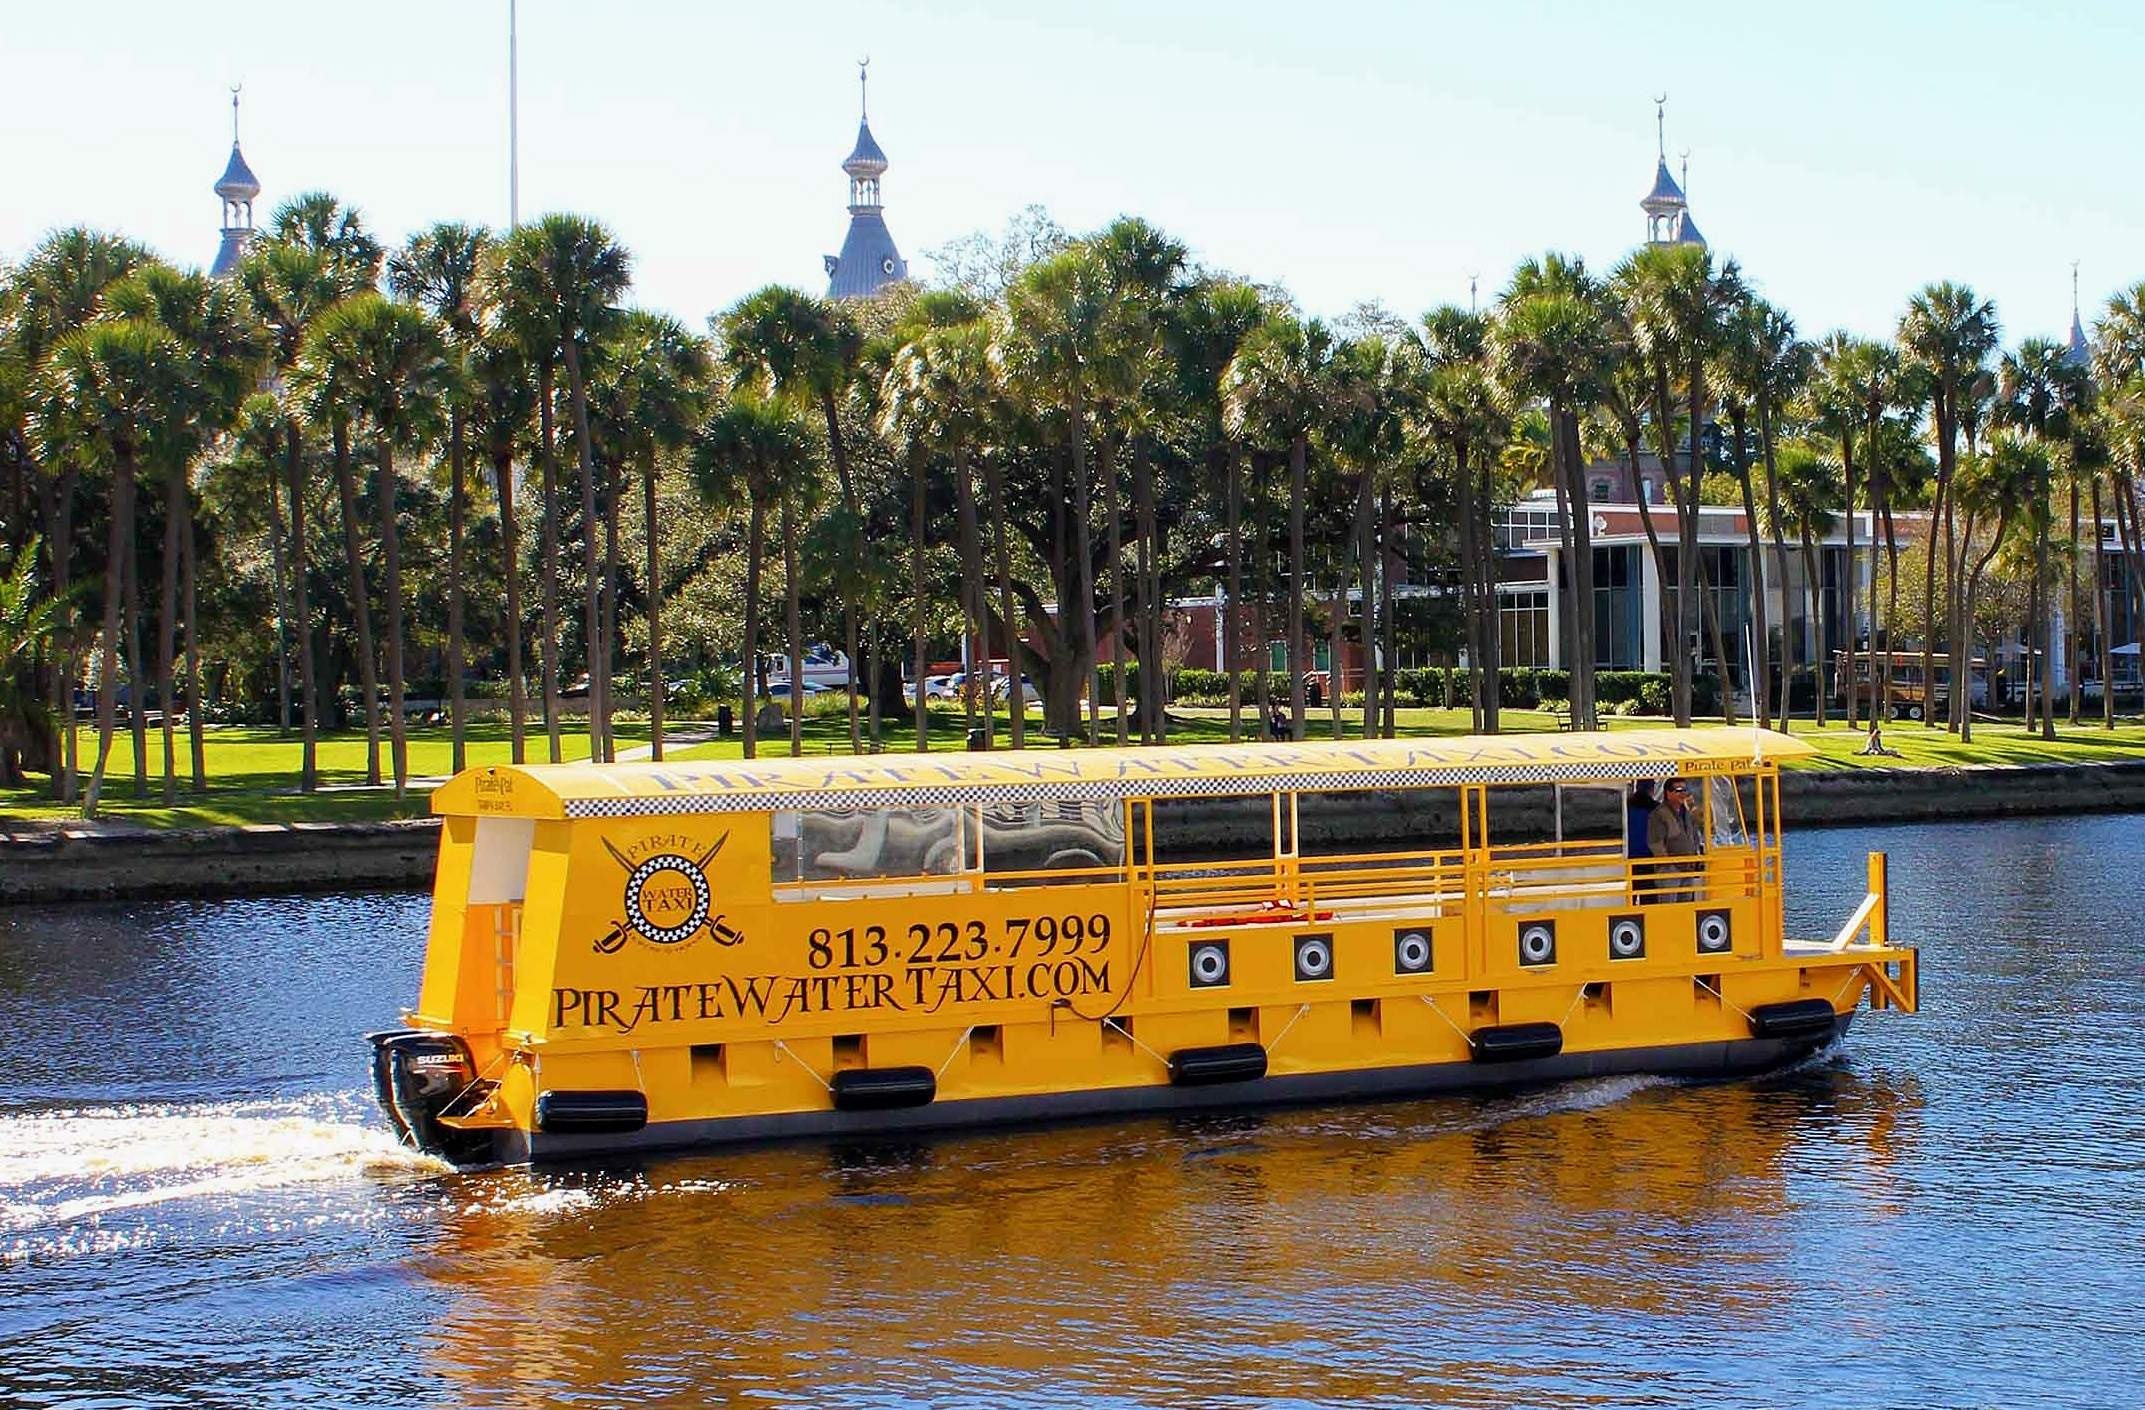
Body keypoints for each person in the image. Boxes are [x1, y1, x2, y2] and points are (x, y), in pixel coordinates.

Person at [1645, 777, 1704, 903]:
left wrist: (1696, 857)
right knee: (1669, 908)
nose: (1683, 793)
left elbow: (1694, 836)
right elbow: (1655, 843)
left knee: (1686, 907)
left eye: (1685, 790)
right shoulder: (1659, 814)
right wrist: (1668, 866)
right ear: (1668, 792)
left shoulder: (1687, 813)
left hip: (1688, 869)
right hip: (1670, 873)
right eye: (1679, 790)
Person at [1625, 780, 1657, 899]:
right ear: (1651, 789)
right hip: (1648, 858)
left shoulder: (1625, 806)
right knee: (1648, 896)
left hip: (1628, 857)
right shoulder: (1656, 808)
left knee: (1629, 897)